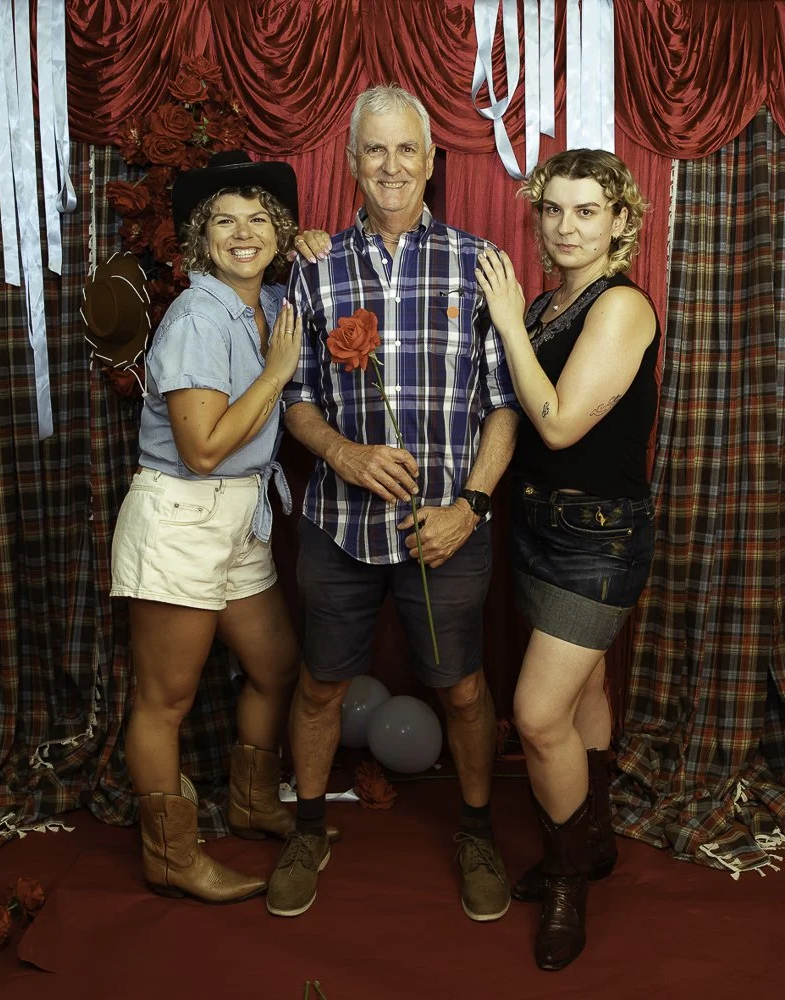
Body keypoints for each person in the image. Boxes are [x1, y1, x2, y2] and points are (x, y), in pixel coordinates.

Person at [267, 85, 520, 921]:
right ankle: (308, 829)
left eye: (406, 149)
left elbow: (504, 408)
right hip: (340, 529)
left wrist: (470, 507)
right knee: (319, 688)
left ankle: (476, 830)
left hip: (446, 531)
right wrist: (341, 451)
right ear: (350, 164)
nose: (391, 166)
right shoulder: (316, 267)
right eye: (373, 151)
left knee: (464, 691)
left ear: (431, 161)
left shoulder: (478, 263)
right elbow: (295, 395)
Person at [110, 151, 333, 903]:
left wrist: (315, 242)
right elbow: (203, 448)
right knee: (163, 701)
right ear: (202, 240)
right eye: (225, 223)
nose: (244, 234)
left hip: (242, 513)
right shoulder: (199, 317)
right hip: (182, 511)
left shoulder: (267, 300)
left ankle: (249, 799)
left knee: (275, 667)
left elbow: (315, 256)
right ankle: (170, 854)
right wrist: (275, 374)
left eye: (259, 220)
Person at [474, 149, 659, 969]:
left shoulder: (620, 306)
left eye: (587, 210)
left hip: (600, 537)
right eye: (554, 209)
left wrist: (509, 324)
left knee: (538, 714)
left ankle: (565, 879)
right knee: (582, 692)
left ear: (620, 222)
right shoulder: (553, 300)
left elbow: (553, 424)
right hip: (537, 524)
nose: (567, 225)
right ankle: (596, 841)